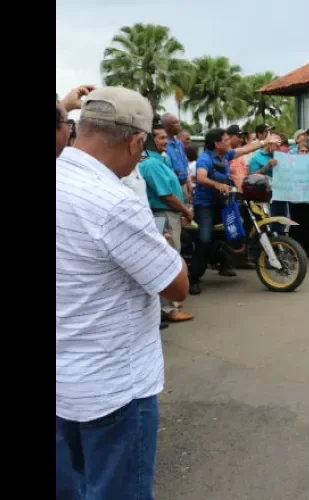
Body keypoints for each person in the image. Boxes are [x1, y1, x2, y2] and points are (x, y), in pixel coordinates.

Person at [57, 87, 189, 500]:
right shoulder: (113, 203)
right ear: (135, 141)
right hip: (113, 386)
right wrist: (163, 245)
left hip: (65, 379)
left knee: (76, 487)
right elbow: (176, 285)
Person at [189, 128, 276, 295]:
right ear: (216, 143)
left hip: (224, 201)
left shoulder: (225, 155)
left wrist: (265, 142)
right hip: (206, 205)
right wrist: (217, 185)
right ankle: (194, 279)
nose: (230, 142)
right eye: (226, 140)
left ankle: (235, 256)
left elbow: (245, 149)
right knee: (205, 239)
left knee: (243, 221)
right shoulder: (205, 159)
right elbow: (200, 177)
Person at [138, 123, 195, 322]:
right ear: (150, 141)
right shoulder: (151, 163)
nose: (166, 142)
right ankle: (169, 309)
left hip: (166, 213)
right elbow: (167, 195)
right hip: (163, 214)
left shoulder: (158, 160)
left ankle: (168, 306)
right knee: (169, 259)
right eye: (161, 138)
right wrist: (186, 210)